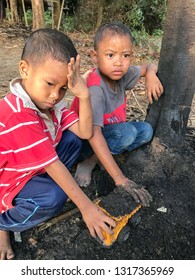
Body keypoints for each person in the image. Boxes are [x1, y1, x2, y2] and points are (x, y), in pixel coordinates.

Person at [0, 28, 118, 260]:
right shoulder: (17, 115)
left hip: (34, 166)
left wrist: (82, 96)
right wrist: (87, 208)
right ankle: (5, 222)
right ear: (25, 69)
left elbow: (84, 133)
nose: (56, 95)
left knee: (72, 139)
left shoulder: (49, 104)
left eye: (63, 88)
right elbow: (54, 165)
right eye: (50, 84)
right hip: (9, 180)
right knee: (54, 197)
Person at [70, 22, 163, 199]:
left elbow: (149, 66)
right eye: (110, 55)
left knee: (146, 131)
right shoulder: (95, 89)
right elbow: (93, 134)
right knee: (126, 134)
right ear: (95, 57)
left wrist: (150, 75)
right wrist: (120, 179)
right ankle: (89, 162)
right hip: (84, 142)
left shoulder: (122, 75)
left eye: (125, 55)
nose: (119, 62)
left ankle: (106, 157)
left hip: (111, 132)